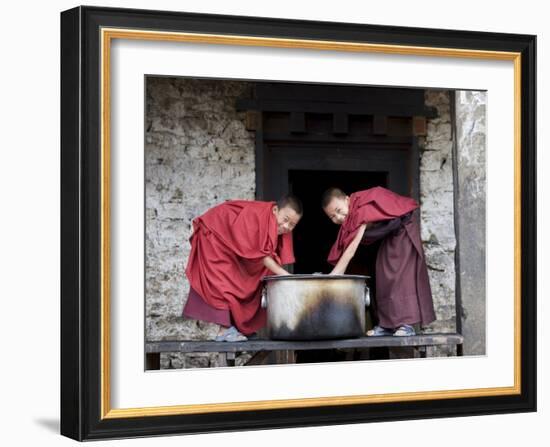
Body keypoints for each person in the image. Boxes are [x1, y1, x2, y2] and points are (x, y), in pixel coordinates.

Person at [183, 195, 302, 342]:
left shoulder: (274, 222)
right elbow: (262, 256)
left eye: (292, 225)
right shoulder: (258, 216)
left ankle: (237, 328)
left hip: (229, 241)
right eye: (285, 220)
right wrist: (285, 275)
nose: (286, 227)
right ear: (275, 210)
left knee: (242, 280)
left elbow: (265, 255)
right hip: (214, 235)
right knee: (222, 283)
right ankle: (224, 331)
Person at [322, 186, 435, 337]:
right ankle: (387, 325)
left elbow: (352, 246)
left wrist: (335, 275)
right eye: (332, 217)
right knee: (383, 274)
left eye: (338, 210)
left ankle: (406, 325)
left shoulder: (360, 211)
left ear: (347, 200)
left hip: (404, 231)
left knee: (399, 275)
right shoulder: (352, 214)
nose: (338, 218)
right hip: (391, 234)